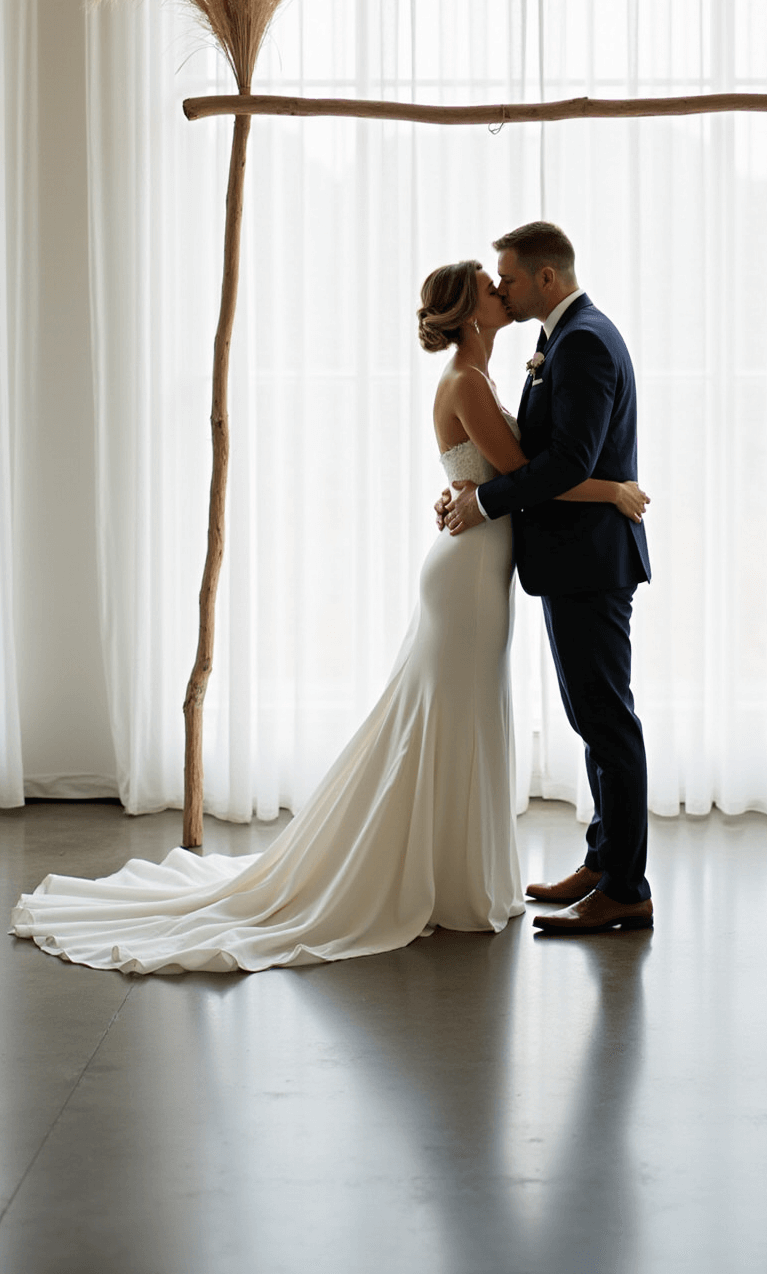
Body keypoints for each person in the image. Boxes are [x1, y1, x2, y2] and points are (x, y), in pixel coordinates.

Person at [11, 259, 647, 974]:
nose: (504, 295)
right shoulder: (468, 382)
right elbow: (534, 476)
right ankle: (446, 877)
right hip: (467, 576)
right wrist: (611, 488)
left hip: (479, 564)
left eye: (506, 284)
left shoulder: (483, 378)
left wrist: (472, 490)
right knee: (456, 718)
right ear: (473, 316)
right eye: (492, 289)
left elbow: (514, 475)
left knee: (462, 718)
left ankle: (464, 869)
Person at [442, 223, 654, 936]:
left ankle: (626, 887)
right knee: (593, 720)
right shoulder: (564, 338)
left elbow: (568, 462)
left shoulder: (584, 340)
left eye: (508, 278)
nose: (501, 289)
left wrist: (483, 500)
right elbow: (532, 451)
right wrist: (463, 487)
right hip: (574, 558)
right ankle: (602, 862)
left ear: (547, 280)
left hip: (591, 562)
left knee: (607, 721)